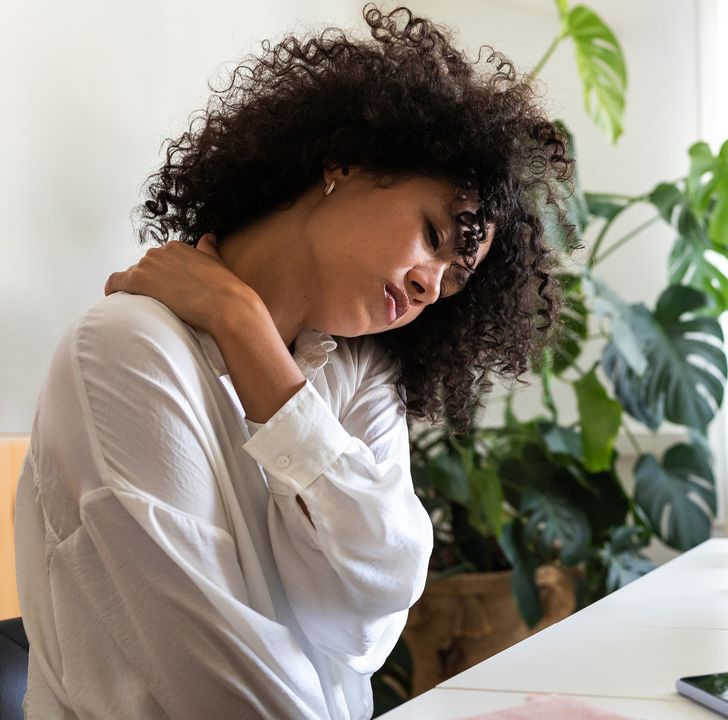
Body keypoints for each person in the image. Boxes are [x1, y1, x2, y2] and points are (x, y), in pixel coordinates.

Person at [14, 6, 570, 719]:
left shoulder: (355, 372)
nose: (430, 284)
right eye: (432, 234)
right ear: (343, 163)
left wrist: (247, 336)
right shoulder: (124, 351)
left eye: (450, 282)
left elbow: (369, 614)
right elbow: (220, 694)